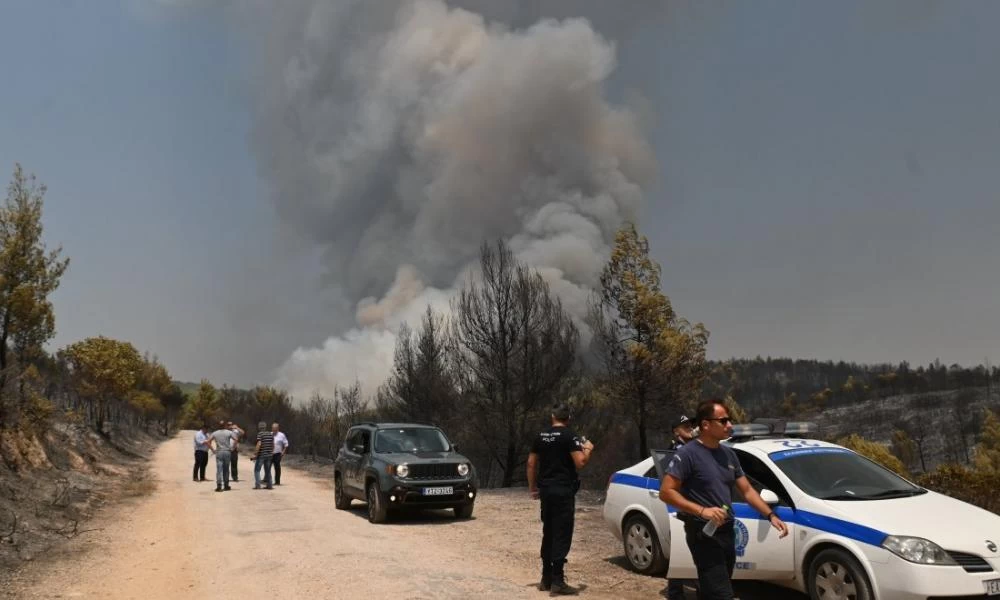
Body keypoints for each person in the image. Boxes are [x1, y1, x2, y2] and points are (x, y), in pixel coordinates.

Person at [659, 399, 789, 600]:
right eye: (724, 421)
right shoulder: (687, 454)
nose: (730, 425)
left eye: (730, 420)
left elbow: (746, 490)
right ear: (705, 425)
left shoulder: (729, 454)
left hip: (727, 532)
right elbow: (666, 492)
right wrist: (702, 511)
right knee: (722, 593)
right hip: (703, 532)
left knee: (711, 589)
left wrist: (770, 515)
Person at [527, 402, 595, 595]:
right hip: (563, 491)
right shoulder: (569, 435)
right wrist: (588, 449)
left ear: (552, 417)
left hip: (546, 491)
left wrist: (533, 488)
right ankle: (558, 581)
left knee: (548, 532)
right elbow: (580, 462)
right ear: (568, 418)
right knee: (562, 533)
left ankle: (545, 578)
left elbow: (531, 464)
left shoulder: (541, 436)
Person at [665, 415, 696, 600]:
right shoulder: (676, 450)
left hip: (690, 504)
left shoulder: (691, 448)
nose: (689, 427)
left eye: (690, 424)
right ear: (676, 431)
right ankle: (675, 593)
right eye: (684, 426)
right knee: (680, 549)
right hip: (680, 506)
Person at [207, 420, 236, 492]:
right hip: (227, 451)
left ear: (218, 426)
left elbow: (208, 441)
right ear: (225, 425)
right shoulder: (229, 432)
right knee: (226, 469)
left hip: (219, 452)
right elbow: (236, 439)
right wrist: (233, 448)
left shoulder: (215, 433)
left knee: (219, 470)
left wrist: (213, 450)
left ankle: (219, 486)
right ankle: (226, 485)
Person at [252, 421, 274, 490]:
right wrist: (271, 452)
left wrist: (255, 454)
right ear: (265, 427)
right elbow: (273, 444)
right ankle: (269, 485)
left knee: (257, 470)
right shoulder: (270, 434)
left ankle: (258, 485)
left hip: (261, 455)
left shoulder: (260, 434)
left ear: (259, 427)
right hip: (269, 455)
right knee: (268, 470)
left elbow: (259, 444)